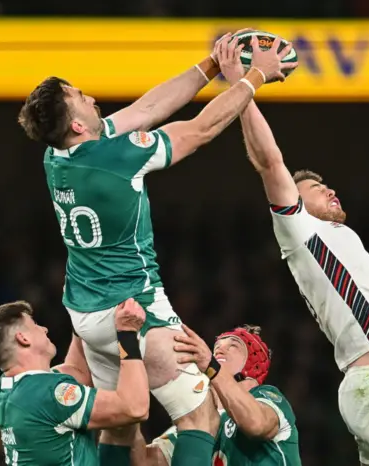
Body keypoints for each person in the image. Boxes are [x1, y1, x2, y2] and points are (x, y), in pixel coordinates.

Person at [17, 30, 297, 465]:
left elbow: (147, 108)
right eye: (81, 97)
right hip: (136, 310)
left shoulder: (58, 156)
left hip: (86, 315)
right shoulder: (116, 159)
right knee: (199, 417)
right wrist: (254, 75)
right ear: (76, 124)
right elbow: (201, 130)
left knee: (122, 425)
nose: (93, 99)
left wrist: (209, 67)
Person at [214, 38, 369, 466]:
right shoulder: (300, 231)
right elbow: (269, 162)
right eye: (313, 188)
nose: (329, 189)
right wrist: (243, 84)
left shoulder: (337, 239)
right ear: (294, 202)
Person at [0, 298, 149, 465]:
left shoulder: (8, 388)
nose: (44, 329)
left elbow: (77, 372)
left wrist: (80, 316)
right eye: (35, 325)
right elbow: (135, 408)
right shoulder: (47, 395)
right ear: (23, 339)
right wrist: (127, 333)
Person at [146, 325, 301, 466]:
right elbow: (146, 460)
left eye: (233, 346)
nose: (218, 351)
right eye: (216, 348)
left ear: (254, 364)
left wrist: (211, 366)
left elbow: (256, 424)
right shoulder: (198, 421)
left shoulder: (268, 397)